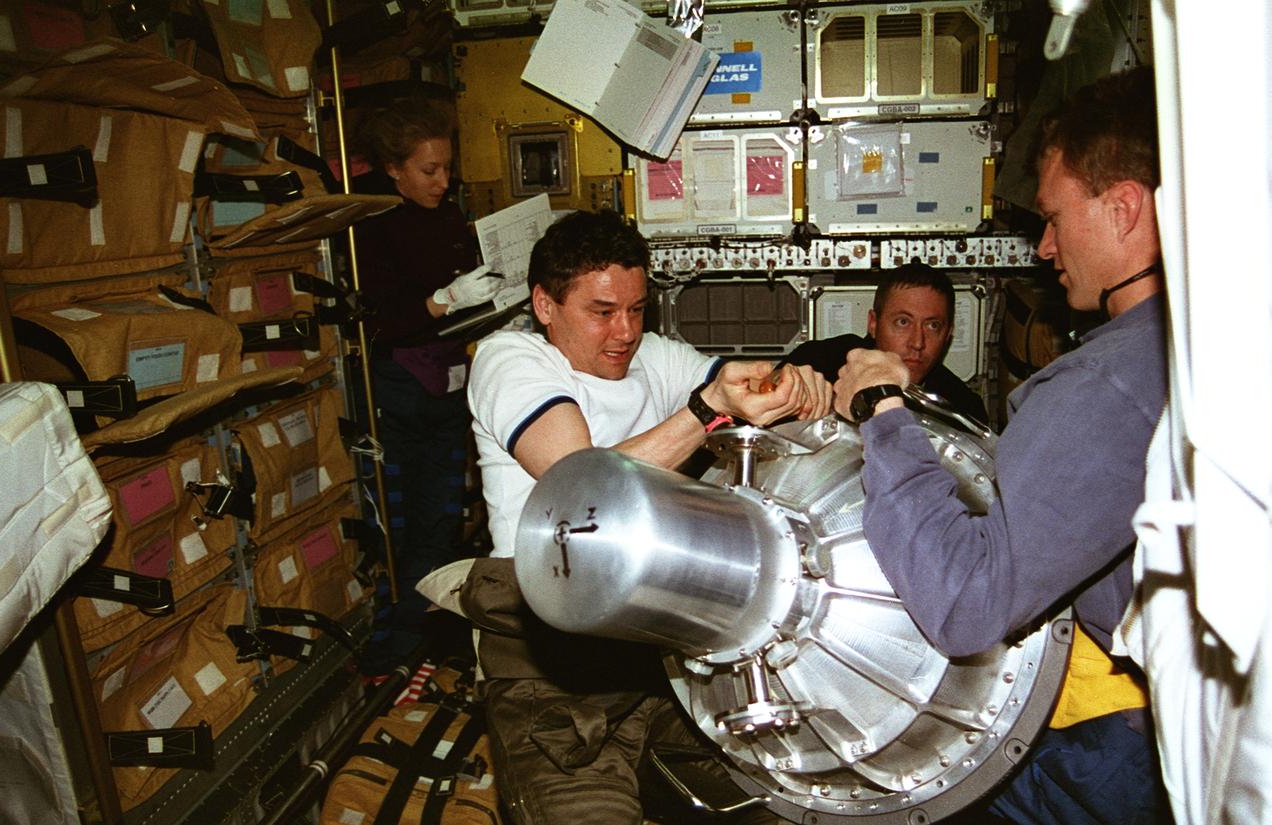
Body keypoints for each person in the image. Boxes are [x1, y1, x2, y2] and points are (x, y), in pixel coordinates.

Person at [833, 66, 1170, 823]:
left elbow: (965, 601)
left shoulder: (1109, 384)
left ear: (1122, 210)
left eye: (1055, 216)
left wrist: (884, 410)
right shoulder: (1183, 347)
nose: (1045, 245)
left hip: (1110, 748)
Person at [466, 209, 832, 825]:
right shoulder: (510, 360)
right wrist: (704, 410)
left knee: (788, 801)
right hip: (551, 671)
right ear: (545, 305)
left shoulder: (655, 358)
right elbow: (580, 481)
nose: (625, 331)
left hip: (659, 656)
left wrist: (798, 389)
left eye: (637, 310)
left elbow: (736, 387)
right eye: (602, 311)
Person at [352, 96, 504, 669]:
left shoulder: (443, 215)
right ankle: (392, 648)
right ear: (393, 169)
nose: (443, 181)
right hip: (399, 389)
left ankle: (422, 645)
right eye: (429, 171)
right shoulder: (369, 225)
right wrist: (442, 301)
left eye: (447, 169)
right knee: (399, 524)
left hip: (445, 385)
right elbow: (379, 320)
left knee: (440, 518)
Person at [781, 263, 987, 422]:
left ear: (948, 334)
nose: (917, 343)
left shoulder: (962, 410)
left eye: (932, 326)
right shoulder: (818, 362)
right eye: (903, 322)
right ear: (873, 323)